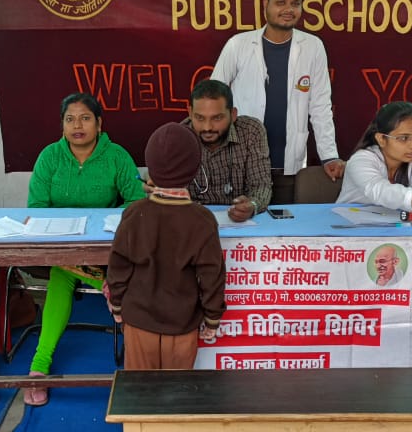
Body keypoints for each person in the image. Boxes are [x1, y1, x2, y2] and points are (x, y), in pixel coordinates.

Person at [24, 92, 145, 405]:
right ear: (62, 125)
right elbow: (36, 206)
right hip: (61, 246)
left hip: (108, 247)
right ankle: (39, 367)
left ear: (99, 123)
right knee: (60, 270)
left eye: (85, 118)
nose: (77, 125)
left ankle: (139, 369)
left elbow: (136, 200)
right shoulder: (49, 157)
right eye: (70, 119)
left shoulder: (117, 155)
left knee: (64, 270)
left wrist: (110, 220)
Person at [211, 0, 344, 204]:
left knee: (282, 233)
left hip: (287, 167)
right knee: (243, 227)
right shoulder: (238, 45)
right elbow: (213, 97)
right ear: (266, 5)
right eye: (281, 2)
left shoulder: (312, 47)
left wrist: (329, 155)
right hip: (242, 166)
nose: (288, 10)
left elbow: (320, 106)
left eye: (295, 4)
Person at [106, 122, 226, 369]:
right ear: (194, 169)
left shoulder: (134, 213)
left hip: (138, 322)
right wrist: (213, 318)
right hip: (181, 326)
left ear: (150, 169)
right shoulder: (202, 220)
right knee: (176, 395)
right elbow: (212, 276)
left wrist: (117, 304)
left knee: (140, 392)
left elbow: (118, 266)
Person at [180, 79, 271, 222]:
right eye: (199, 118)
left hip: (242, 226)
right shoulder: (178, 137)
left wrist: (252, 205)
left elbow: (261, 186)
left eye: (217, 118)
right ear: (190, 112)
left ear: (233, 114)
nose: (207, 127)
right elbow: (170, 193)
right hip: (194, 223)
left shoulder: (251, 132)